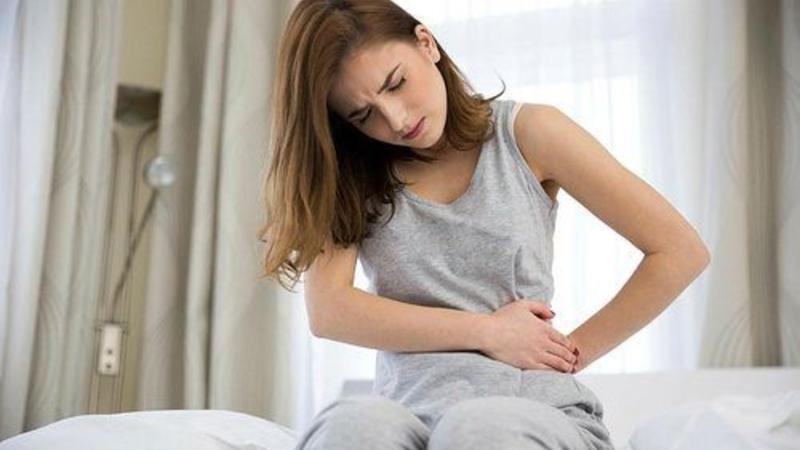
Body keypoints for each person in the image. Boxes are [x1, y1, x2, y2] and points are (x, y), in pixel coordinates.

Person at [258, 1, 709, 449]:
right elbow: (330, 311)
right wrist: (488, 332)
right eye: (363, 115)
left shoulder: (529, 133)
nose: (395, 119)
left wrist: (570, 351)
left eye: (396, 83)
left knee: (476, 428)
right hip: (408, 415)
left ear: (426, 43)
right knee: (352, 424)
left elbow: (679, 251)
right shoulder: (352, 175)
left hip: (529, 415)